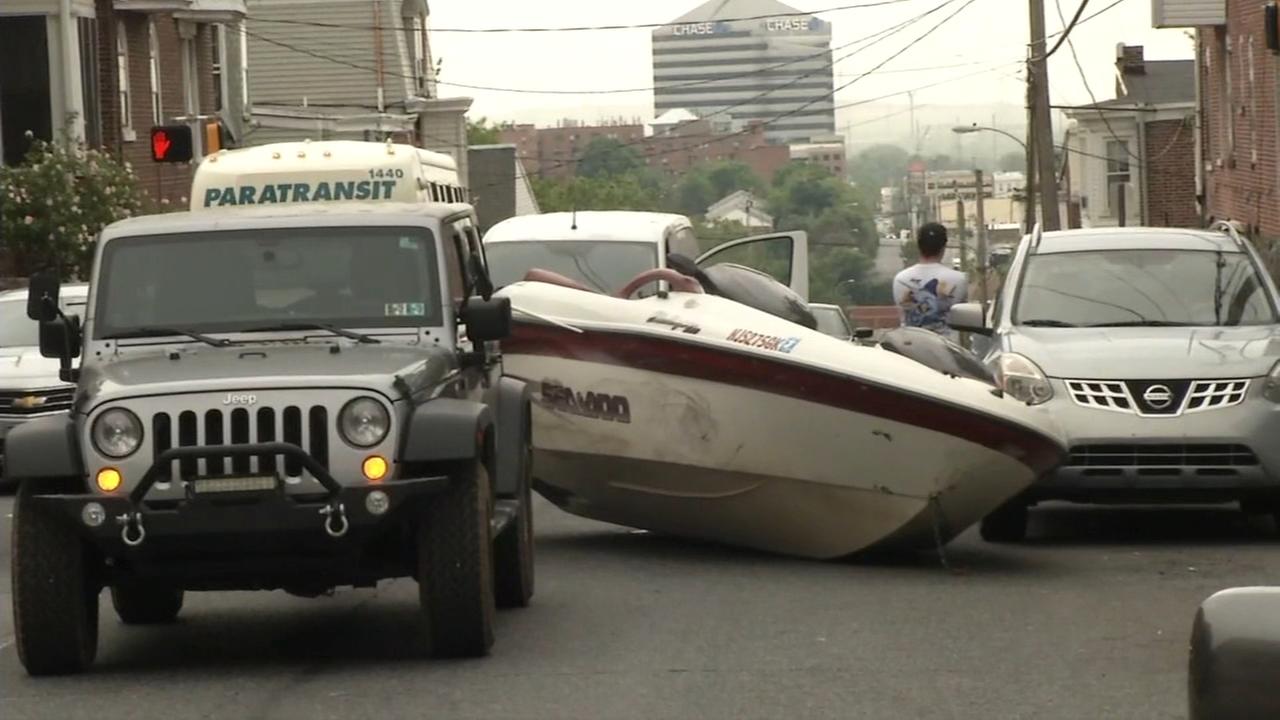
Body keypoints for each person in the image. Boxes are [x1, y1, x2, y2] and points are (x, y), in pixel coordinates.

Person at [893, 222, 968, 337]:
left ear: (918, 245)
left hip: (909, 348)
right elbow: (964, 320)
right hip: (946, 349)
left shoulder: (900, 279)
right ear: (944, 246)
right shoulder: (959, 279)